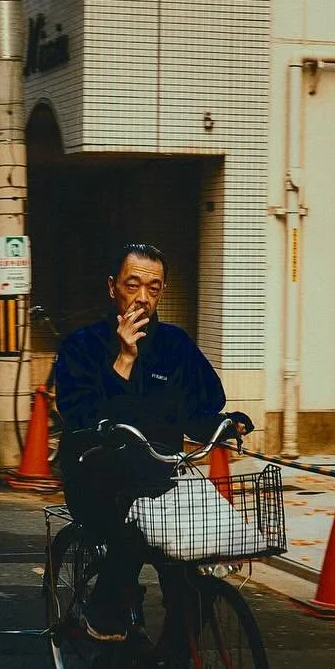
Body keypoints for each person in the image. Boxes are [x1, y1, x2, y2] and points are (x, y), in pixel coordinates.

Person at [54, 240, 250, 640]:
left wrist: (225, 422)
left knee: (193, 575)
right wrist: (124, 358)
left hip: (159, 476)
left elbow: (197, 412)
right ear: (112, 288)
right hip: (94, 476)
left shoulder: (175, 345)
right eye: (133, 284)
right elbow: (82, 415)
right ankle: (105, 614)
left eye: (154, 287)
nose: (143, 297)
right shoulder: (83, 345)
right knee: (131, 536)